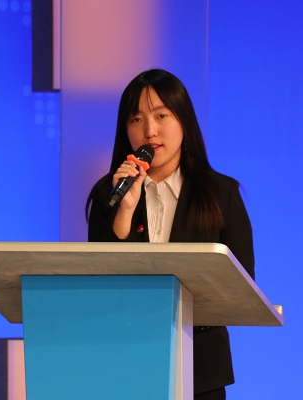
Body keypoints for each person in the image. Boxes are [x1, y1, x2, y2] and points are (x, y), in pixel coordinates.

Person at [85, 68, 254, 400]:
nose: (150, 130)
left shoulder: (221, 195)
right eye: (136, 119)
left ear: (183, 121)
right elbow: (101, 282)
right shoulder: (111, 194)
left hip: (200, 372)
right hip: (125, 367)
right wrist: (125, 209)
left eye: (161, 115)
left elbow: (241, 285)